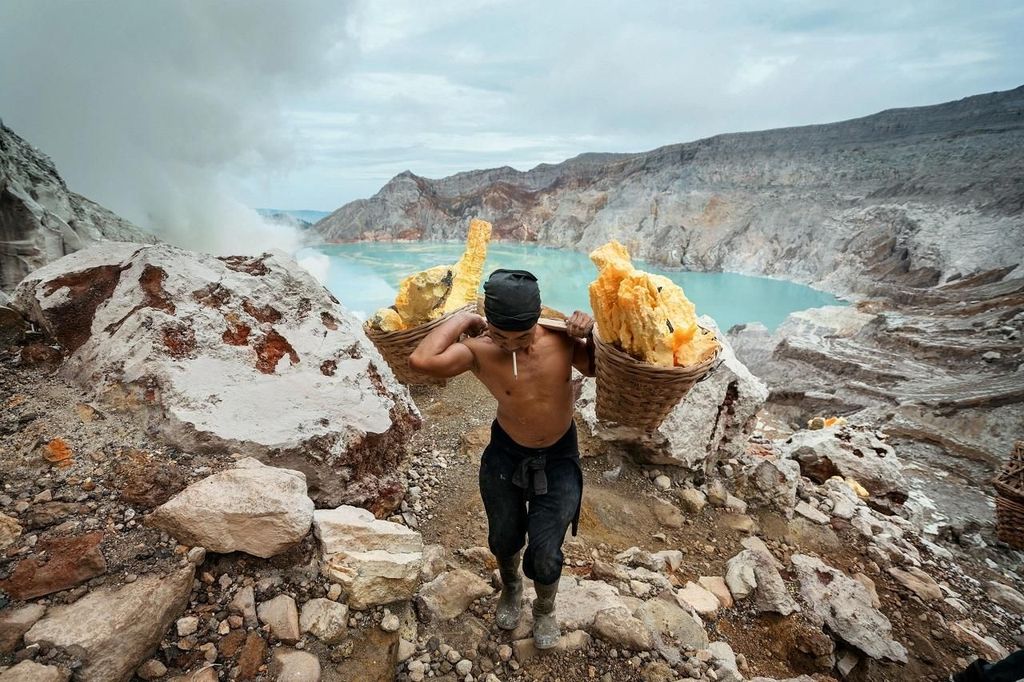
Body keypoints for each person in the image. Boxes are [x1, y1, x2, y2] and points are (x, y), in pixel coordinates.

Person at [409, 269, 596, 649]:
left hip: (559, 455)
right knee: (504, 535)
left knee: (546, 551)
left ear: (537, 319)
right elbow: (421, 360)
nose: (510, 346)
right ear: (489, 325)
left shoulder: (561, 340)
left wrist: (589, 333)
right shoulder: (478, 351)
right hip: (506, 452)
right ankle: (511, 587)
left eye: (521, 337)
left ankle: (545, 608)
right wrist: (464, 319)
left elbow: (594, 366)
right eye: (500, 336)